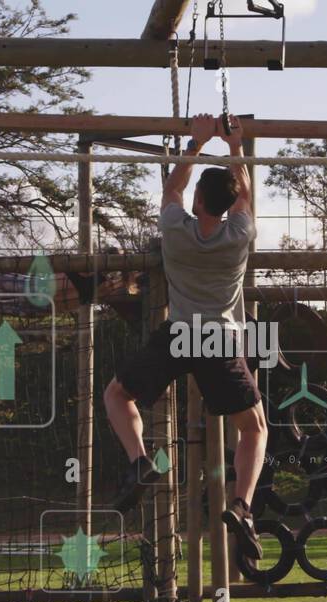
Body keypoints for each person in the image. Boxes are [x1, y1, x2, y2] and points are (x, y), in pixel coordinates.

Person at [103, 114, 268, 560]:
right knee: (254, 430)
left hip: (179, 334)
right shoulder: (239, 235)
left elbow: (172, 190)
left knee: (117, 395)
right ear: (231, 205)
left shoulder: (175, 230)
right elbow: (245, 196)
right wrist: (235, 148)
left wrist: (194, 144)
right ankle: (242, 506)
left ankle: (140, 463)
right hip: (219, 340)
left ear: (198, 201)